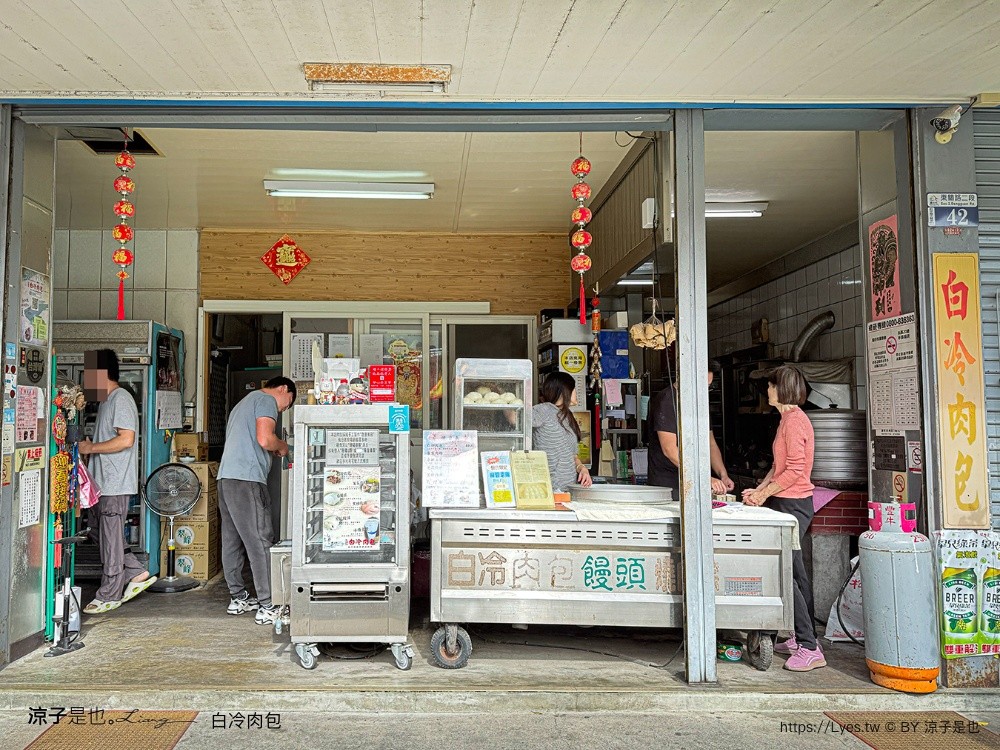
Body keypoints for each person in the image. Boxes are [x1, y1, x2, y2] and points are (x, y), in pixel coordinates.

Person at [742, 365, 825, 672]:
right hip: (787, 502)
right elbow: (779, 468)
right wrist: (760, 490)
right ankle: (798, 636)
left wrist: (764, 495)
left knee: (784, 574)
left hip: (794, 505)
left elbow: (793, 472)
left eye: (771, 386)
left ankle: (808, 646)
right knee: (797, 573)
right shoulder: (788, 420)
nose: (767, 391)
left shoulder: (794, 422)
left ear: (782, 389)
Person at [79, 349, 156, 613]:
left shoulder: (121, 398)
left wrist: (91, 449)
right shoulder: (105, 401)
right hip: (101, 485)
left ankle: (109, 594)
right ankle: (135, 570)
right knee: (97, 532)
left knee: (110, 539)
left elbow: (126, 439)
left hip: (114, 484)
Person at [217, 376, 296, 625]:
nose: (284, 409)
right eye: (288, 403)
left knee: (231, 541)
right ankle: (269, 604)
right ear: (283, 389)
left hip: (226, 478)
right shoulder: (265, 400)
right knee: (260, 541)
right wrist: (282, 446)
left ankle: (238, 597)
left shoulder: (244, 402)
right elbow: (265, 439)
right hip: (247, 480)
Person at [647, 360, 733, 500]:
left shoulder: (698, 403)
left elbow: (709, 443)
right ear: (686, 377)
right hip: (667, 483)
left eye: (708, 387)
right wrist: (703, 478)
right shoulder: (667, 401)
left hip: (693, 480)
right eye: (701, 386)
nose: (703, 392)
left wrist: (722, 474)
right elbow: (669, 449)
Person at [532, 372, 592, 491]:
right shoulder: (544, 409)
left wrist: (582, 468)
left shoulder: (567, 415)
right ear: (565, 390)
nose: (576, 392)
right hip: (548, 489)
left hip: (568, 488)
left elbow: (573, 456)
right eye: (573, 388)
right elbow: (515, 419)